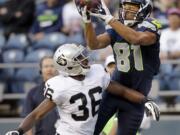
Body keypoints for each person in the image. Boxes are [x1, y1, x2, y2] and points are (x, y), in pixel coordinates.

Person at [5, 43, 159, 135]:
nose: (85, 60)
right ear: (68, 64)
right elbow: (37, 114)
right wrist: (19, 131)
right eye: (79, 58)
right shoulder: (60, 86)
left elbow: (122, 91)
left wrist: (145, 100)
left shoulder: (97, 73)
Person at [76, 0, 161, 134]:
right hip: (114, 91)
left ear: (144, 10)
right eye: (125, 7)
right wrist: (86, 21)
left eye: (132, 7)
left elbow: (136, 39)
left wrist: (110, 19)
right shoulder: (116, 26)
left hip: (137, 97)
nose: (126, 11)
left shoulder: (150, 26)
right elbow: (94, 44)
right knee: (89, 132)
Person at [21, 56, 59, 135]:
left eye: (52, 66)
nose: (49, 69)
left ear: (57, 69)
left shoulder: (66, 89)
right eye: (46, 66)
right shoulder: (32, 93)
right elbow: (27, 118)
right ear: (40, 71)